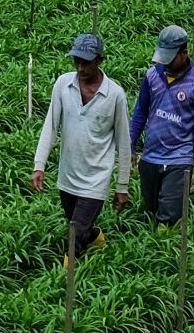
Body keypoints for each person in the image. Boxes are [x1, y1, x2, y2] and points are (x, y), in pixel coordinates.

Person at [33, 33, 132, 259]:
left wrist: (122, 186)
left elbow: (124, 144)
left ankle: (65, 284)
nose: (79, 68)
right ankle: (95, 237)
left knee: (74, 235)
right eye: (76, 61)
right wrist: (39, 165)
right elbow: (50, 126)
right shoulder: (62, 84)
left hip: (96, 179)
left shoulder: (115, 95)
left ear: (99, 60)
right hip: (67, 176)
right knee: (75, 226)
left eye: (85, 62)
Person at [130, 23, 194, 229]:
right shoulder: (151, 77)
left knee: (167, 220)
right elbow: (140, 112)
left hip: (179, 159)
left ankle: (164, 256)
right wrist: (129, 146)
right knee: (150, 212)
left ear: (183, 54)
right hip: (150, 157)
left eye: (170, 58)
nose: (165, 63)